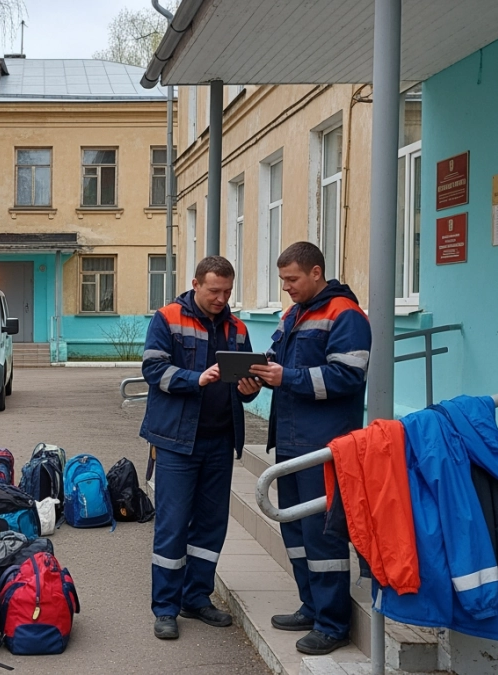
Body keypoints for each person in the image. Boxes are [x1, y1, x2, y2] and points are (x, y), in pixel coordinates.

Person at [248, 241, 371, 656]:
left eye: (292, 279)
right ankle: (311, 606)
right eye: (282, 280)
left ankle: (332, 624)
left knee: (322, 538)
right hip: (292, 442)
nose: (286, 287)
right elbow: (280, 366)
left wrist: (288, 378)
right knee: (296, 531)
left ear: (316, 272)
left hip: (324, 445)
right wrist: (256, 377)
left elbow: (348, 376)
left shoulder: (346, 315)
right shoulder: (294, 314)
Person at [140, 256, 262, 640]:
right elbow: (153, 370)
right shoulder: (167, 318)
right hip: (177, 442)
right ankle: (165, 608)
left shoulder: (237, 327)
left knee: (211, 525)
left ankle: (197, 597)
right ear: (196, 284)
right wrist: (198, 378)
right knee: (173, 525)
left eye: (227, 291)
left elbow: (247, 378)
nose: (221, 298)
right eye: (214, 291)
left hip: (220, 441)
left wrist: (250, 389)